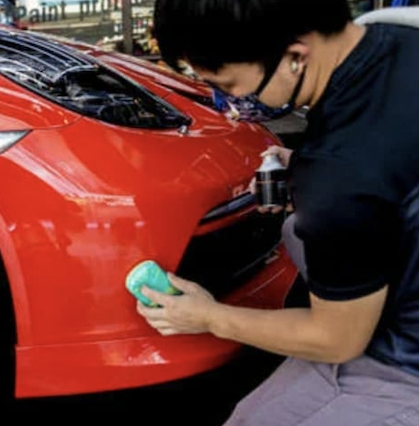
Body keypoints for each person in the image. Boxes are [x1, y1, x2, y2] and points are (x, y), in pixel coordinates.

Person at [137, 1, 419, 425]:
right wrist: (305, 171)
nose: (229, 104)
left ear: (295, 55)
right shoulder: (395, 33)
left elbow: (337, 339)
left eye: (229, 86)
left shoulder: (339, 176)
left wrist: (208, 317)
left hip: (401, 361)